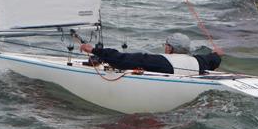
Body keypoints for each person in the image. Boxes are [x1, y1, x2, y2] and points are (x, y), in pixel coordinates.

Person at [79, 33, 221, 76]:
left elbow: (122, 60)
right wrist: (217, 54)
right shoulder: (199, 61)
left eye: (166, 45)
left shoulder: (160, 61)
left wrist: (93, 50)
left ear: (169, 49)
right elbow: (213, 60)